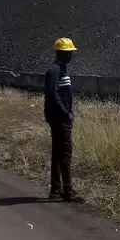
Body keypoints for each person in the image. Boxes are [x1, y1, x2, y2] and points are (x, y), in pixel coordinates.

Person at [44, 37, 83, 202]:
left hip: (60, 117)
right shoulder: (54, 70)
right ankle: (67, 191)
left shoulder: (61, 69)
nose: (71, 56)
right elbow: (52, 94)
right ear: (60, 53)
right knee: (65, 152)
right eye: (68, 53)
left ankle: (56, 190)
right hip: (59, 118)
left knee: (59, 153)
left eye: (71, 53)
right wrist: (66, 113)